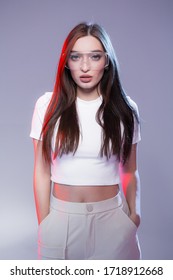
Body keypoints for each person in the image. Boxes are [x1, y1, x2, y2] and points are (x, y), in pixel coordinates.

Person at [30, 22, 141, 260]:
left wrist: (134, 216)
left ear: (107, 61)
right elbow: (41, 169)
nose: (85, 66)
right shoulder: (47, 106)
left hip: (113, 221)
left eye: (95, 56)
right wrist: (45, 224)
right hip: (61, 221)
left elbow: (130, 170)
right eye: (76, 57)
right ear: (66, 62)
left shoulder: (126, 109)